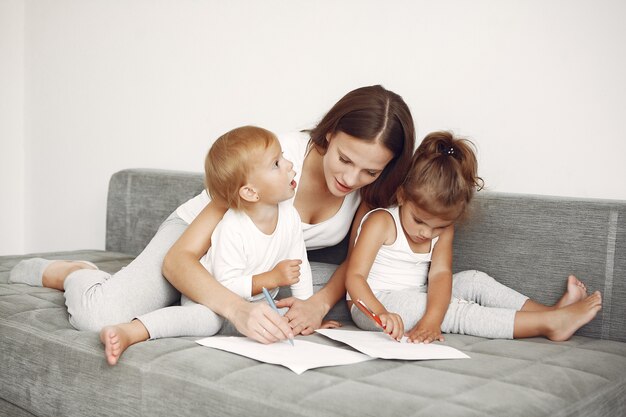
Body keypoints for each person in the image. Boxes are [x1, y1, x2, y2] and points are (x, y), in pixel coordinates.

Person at [10, 85, 415, 356]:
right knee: (98, 316)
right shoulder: (275, 157)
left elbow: (356, 262)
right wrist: (238, 310)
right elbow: (180, 258)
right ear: (330, 133)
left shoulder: (368, 190)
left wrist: (315, 303)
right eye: (345, 160)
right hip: (196, 244)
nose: (350, 179)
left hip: (255, 264)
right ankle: (74, 273)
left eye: (370, 171)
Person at [345, 131, 602, 343]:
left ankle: (556, 313)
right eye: (419, 221)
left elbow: (440, 275)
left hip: (415, 292)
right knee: (454, 308)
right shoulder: (381, 222)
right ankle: (550, 324)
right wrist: (382, 312)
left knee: (474, 281)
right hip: (372, 305)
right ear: (402, 196)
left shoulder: (443, 229)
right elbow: (355, 277)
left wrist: (432, 319)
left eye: (438, 227)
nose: (426, 233)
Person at [100, 126, 313, 364]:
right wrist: (271, 279)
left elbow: (300, 263)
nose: (289, 165)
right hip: (211, 293)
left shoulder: (290, 216)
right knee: (208, 320)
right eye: (277, 163)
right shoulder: (233, 226)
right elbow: (226, 284)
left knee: (284, 320)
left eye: (283, 156)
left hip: (251, 300)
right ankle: (134, 331)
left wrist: (306, 307)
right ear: (251, 192)